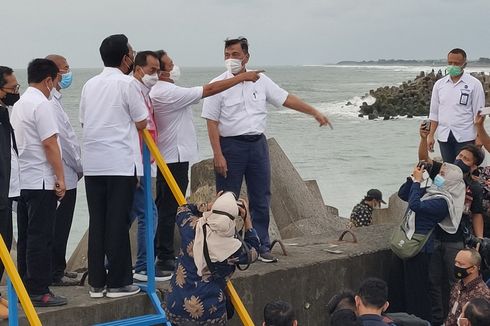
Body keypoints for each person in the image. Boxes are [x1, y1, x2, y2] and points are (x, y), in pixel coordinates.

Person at [202, 37, 331, 263]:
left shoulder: (260, 81)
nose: (230, 59)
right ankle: (227, 248)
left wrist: (314, 112)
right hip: (231, 146)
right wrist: (217, 154)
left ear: (246, 57)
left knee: (261, 196)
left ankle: (260, 245)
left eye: (235, 55)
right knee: (227, 199)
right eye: (227, 55)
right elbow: (211, 121)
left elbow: (285, 98)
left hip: (257, 145)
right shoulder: (218, 84)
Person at [149, 49, 263, 274]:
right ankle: (164, 256)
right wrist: (242, 77)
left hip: (169, 156)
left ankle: (160, 252)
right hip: (174, 158)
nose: (175, 67)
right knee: (170, 209)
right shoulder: (166, 91)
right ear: (160, 72)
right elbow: (210, 90)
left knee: (165, 206)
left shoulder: (161, 90)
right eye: (170, 65)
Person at [80, 34, 147, 298]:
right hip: (118, 162)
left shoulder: (89, 84)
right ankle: (119, 281)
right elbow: (141, 121)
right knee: (117, 222)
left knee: (98, 222)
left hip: (94, 163)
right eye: (131, 52)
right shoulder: (127, 84)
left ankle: (97, 282)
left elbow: (85, 121)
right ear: (125, 58)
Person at [11, 58, 67, 306]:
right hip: (41, 180)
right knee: (41, 238)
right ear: (48, 80)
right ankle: (39, 290)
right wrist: (61, 177)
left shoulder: (21, 103)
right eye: (56, 81)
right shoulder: (42, 104)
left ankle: (24, 284)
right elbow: (50, 143)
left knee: (26, 236)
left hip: (23, 179)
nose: (56, 86)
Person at [419, 123, 485, 324]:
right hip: (434, 235)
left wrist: (479, 240)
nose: (460, 160)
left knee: (455, 283)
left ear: (473, 166)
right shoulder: (443, 173)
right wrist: (424, 138)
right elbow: (424, 160)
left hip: (455, 241)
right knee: (432, 282)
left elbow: (477, 214)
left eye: (466, 159)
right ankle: (438, 319)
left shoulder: (474, 187)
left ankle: (454, 318)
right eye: (459, 156)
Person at [163, 192, 260, 325]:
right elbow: (254, 251)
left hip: (176, 306)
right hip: (209, 314)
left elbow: (182, 209)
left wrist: (209, 206)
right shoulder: (233, 249)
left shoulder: (190, 226)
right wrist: (247, 219)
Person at [390, 162, 465, 322]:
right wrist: (414, 177)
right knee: (398, 285)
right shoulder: (431, 190)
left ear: (451, 181)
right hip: (406, 241)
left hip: (420, 249)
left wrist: (418, 182)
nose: (439, 177)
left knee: (416, 290)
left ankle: (420, 321)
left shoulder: (444, 202)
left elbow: (415, 205)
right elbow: (404, 194)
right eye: (439, 173)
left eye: (443, 175)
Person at [128, 50, 172, 282]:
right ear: (138, 69)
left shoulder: (144, 93)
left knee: (128, 214)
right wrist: (135, 166)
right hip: (139, 164)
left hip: (147, 162)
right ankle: (144, 266)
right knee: (149, 213)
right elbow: (134, 130)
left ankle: (108, 260)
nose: (156, 75)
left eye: (158, 70)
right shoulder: (133, 91)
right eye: (152, 70)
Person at [45, 54, 82, 287]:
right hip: (65, 175)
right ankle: (55, 272)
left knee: (62, 225)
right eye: (66, 68)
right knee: (58, 226)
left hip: (66, 174)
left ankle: (58, 266)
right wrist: (79, 166)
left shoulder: (54, 100)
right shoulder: (50, 103)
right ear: (55, 73)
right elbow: (65, 142)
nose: (69, 73)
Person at [427, 48, 485, 163]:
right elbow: (434, 113)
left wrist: (479, 137)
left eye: (456, 63)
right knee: (449, 172)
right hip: (444, 137)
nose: (452, 66)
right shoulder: (439, 85)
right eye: (450, 63)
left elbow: (479, 113)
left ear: (464, 64)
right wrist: (430, 135)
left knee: (464, 171)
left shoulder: (474, 84)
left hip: (466, 137)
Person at [0, 66, 20, 317]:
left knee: (6, 238)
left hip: (6, 190)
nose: (17, 92)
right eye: (12, 89)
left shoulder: (4, 114)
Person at [445, 249, 490, 326]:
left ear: (473, 268)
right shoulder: (458, 284)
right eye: (456, 262)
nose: (456, 265)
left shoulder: (483, 295)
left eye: (461, 264)